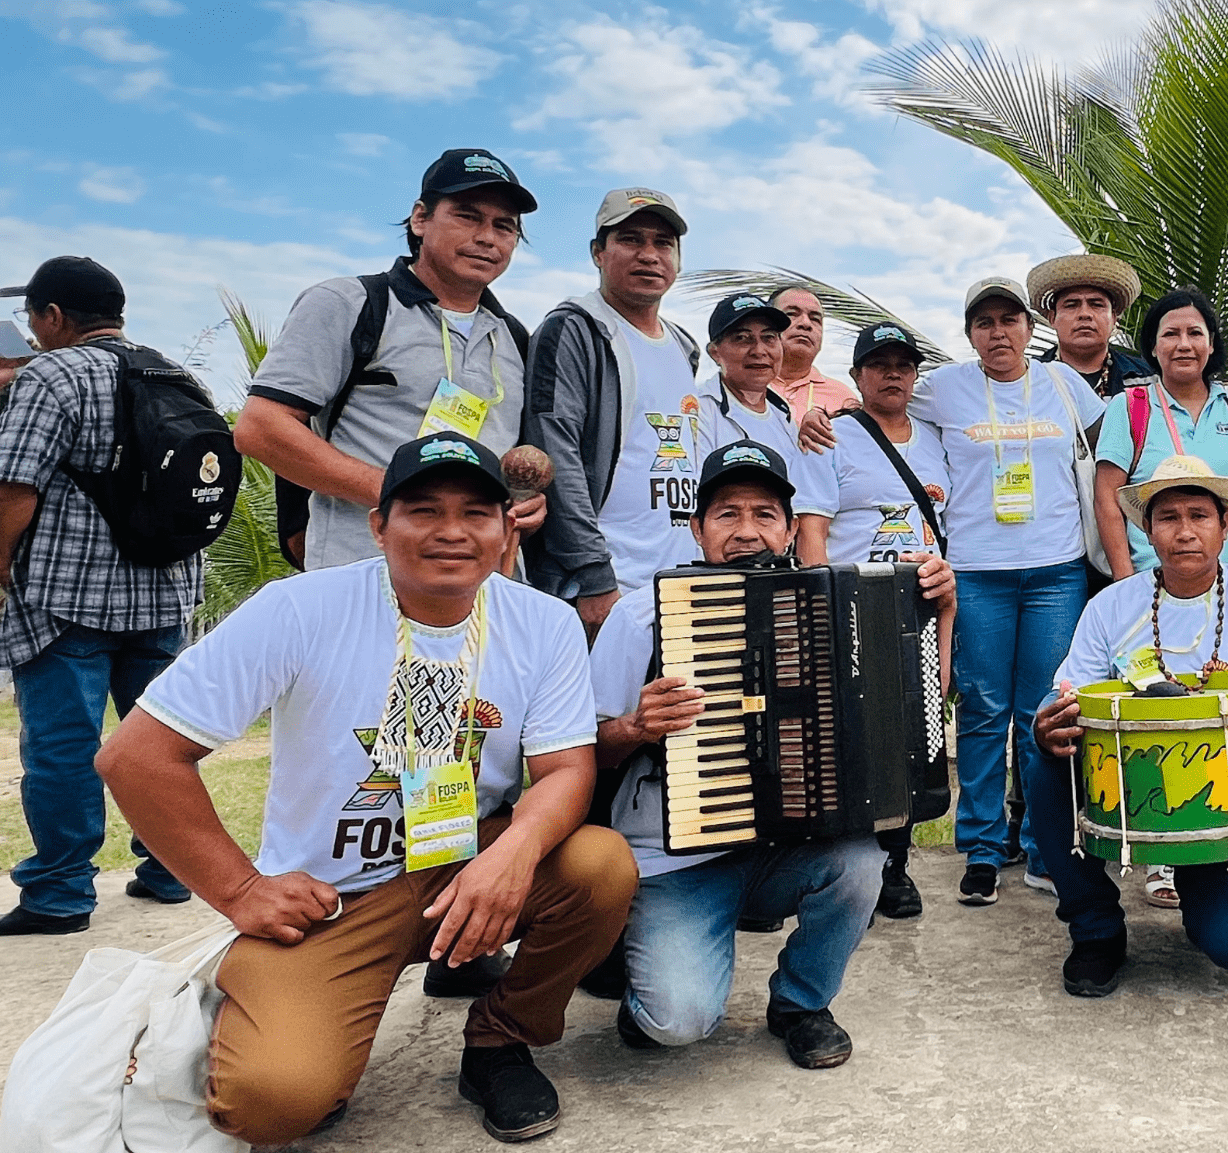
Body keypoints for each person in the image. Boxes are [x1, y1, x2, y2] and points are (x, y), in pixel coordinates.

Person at [96, 433, 638, 1145]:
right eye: (423, 510)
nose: (451, 531)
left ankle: (500, 1039)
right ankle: (292, 1001)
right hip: (335, 895)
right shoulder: (298, 609)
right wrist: (241, 891)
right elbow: (136, 756)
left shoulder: (544, 622)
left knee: (599, 864)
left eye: (477, 512)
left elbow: (567, 768)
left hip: (464, 864)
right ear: (379, 524)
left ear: (508, 527)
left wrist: (514, 854)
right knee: (272, 1103)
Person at [589, 440, 955, 1068]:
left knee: (861, 864)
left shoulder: (828, 601)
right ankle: (637, 969)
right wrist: (634, 727)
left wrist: (939, 611)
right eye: (727, 514)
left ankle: (801, 1003)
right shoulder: (638, 617)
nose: (747, 532)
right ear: (698, 526)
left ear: (789, 528)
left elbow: (923, 701)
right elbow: (586, 745)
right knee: (676, 1023)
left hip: (788, 848)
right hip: (674, 860)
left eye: (765, 514)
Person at [1031, 457, 1228, 995]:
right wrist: (1046, 726)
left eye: (1199, 515)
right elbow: (1064, 695)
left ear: (1227, 524)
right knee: (1043, 759)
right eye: (1167, 517)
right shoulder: (1111, 605)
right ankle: (1096, 931)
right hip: (1130, 787)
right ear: (1147, 530)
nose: (1184, 532)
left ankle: (1205, 890)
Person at [0, 257, 194, 933]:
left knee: (62, 747)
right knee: (165, 742)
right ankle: (170, 871)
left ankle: (58, 894)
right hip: (166, 593)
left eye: (33, 319)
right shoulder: (172, 371)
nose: (32, 333)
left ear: (54, 316)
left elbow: (16, 487)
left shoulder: (51, 374)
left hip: (67, 596)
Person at [237, 148, 545, 570]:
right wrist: (402, 494)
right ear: (420, 218)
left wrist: (528, 504)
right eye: (467, 216)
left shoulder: (513, 337)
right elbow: (260, 429)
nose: (487, 237)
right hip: (363, 574)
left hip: (484, 587)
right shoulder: (349, 304)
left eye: (504, 226)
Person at [911, 276, 1105, 906]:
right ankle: (984, 848)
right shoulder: (944, 388)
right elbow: (881, 411)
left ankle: (1045, 845)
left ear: (1030, 328)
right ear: (970, 334)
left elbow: (1111, 451)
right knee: (984, 708)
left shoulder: (1062, 384)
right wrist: (816, 421)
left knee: (1043, 710)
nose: (999, 333)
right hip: (977, 572)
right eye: (984, 323)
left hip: (1056, 568)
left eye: (1010, 320)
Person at [1089, 285, 1228, 909]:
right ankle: (1162, 854)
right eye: (1170, 333)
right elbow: (1110, 494)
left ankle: (1226, 830)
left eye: (1194, 332)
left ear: (1213, 343)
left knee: (1218, 704)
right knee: (1159, 706)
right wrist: (1121, 578)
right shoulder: (1131, 406)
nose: (1183, 343)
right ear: (1153, 345)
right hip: (1150, 582)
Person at [792, 323, 956, 919]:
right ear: (857, 375)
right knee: (849, 737)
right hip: (853, 604)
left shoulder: (936, 438)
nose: (893, 374)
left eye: (903, 365)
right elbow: (812, 530)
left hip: (922, 604)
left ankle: (896, 863)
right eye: (879, 364)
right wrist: (820, 612)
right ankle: (839, 862)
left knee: (914, 736)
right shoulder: (831, 437)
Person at [523, 187, 705, 639]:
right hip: (605, 590)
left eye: (663, 243)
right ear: (598, 253)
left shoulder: (684, 346)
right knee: (603, 712)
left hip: (677, 585)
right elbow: (555, 451)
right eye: (631, 240)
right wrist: (592, 575)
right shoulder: (574, 329)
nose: (649, 255)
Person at [695, 293, 807, 476]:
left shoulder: (783, 417)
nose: (759, 351)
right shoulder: (698, 410)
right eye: (742, 338)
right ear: (715, 352)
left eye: (769, 338)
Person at [1026, 253, 1158, 399]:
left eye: (1096, 304)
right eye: (1071, 305)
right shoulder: (1027, 378)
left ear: (1114, 318)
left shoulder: (1149, 379)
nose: (1084, 314)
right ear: (1052, 318)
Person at [770, 286, 861, 420]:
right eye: (791, 314)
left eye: (815, 319)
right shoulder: (741, 385)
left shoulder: (842, 398)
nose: (806, 324)